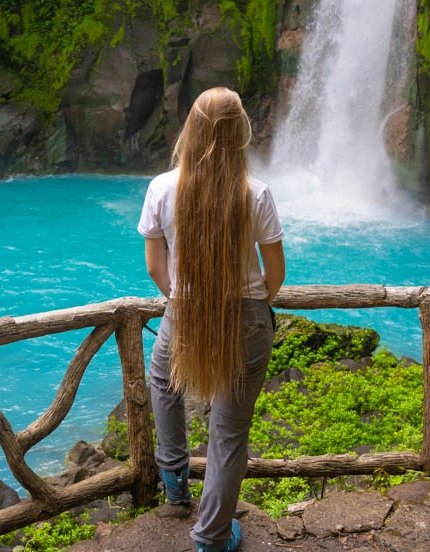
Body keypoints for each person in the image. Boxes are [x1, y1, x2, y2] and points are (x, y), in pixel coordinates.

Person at [137, 87, 286, 552]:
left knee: (162, 380)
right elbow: (275, 275)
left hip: (183, 310)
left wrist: (180, 300)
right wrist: (253, 305)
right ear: (239, 132)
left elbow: (155, 268)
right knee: (227, 432)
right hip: (247, 318)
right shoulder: (255, 194)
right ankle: (212, 538)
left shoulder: (162, 188)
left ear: (192, 129)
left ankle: (174, 478)